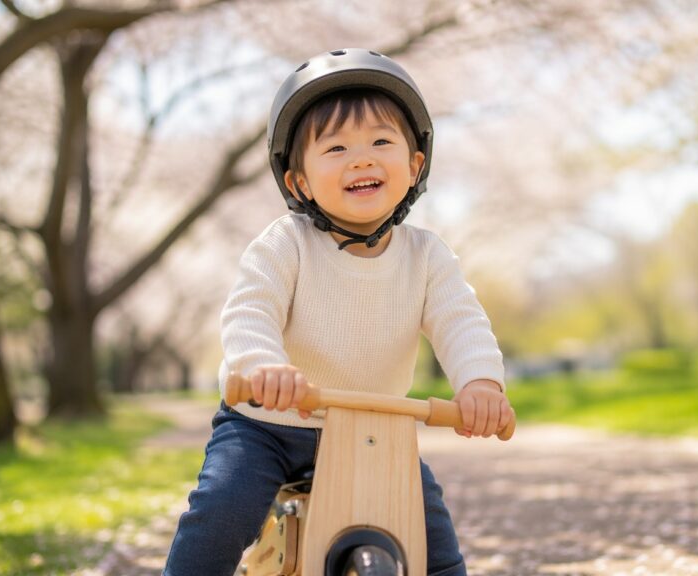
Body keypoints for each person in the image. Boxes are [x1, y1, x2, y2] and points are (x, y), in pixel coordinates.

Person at [163, 48, 514, 576]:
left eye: (380, 142)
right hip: (268, 423)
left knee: (431, 541)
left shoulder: (427, 255)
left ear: (414, 165)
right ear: (299, 182)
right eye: (335, 148)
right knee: (219, 511)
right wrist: (262, 366)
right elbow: (250, 311)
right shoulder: (285, 244)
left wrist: (481, 383)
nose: (361, 159)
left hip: (375, 429)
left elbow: (460, 320)